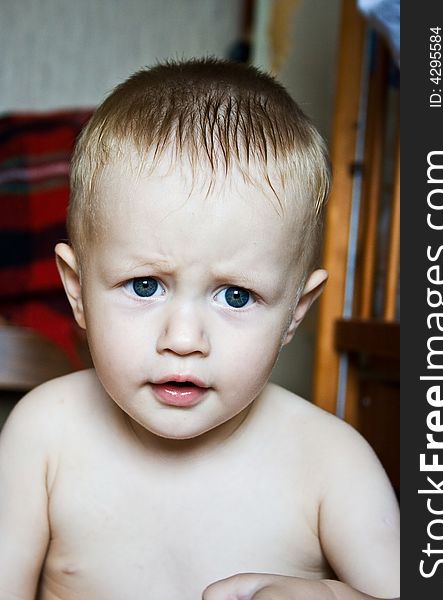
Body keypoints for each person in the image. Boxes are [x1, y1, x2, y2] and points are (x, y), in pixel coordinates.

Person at [0, 58, 399, 600]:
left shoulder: (331, 463)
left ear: (295, 314)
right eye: (145, 286)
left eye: (236, 295)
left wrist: (331, 597)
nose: (184, 339)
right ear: (77, 290)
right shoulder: (43, 435)